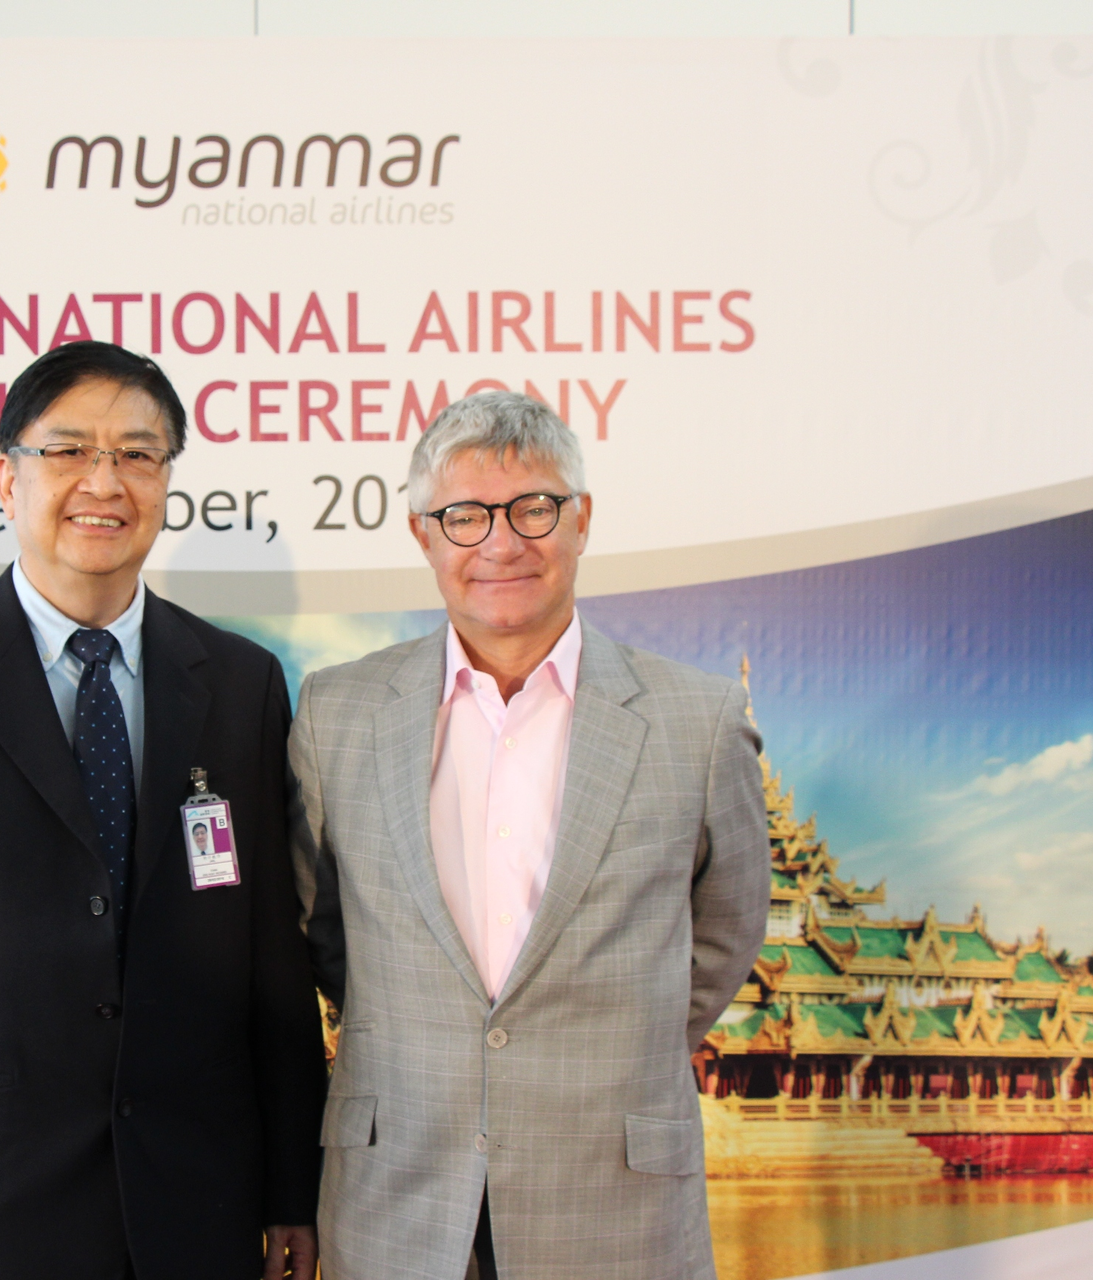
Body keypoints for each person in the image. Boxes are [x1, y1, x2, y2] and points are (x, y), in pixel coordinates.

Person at [0, 341, 326, 1280]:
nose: (105, 480)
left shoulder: (241, 683)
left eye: (138, 453)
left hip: (201, 1209)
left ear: (169, 482)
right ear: (7, 478)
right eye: (69, 450)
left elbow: (272, 962)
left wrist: (295, 1186)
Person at [289, 391, 769, 1280]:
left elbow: (726, 932)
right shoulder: (337, 712)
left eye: (533, 509)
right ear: (422, 534)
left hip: (612, 1194)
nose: (500, 545)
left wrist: (610, 1036)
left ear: (582, 520)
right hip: (399, 1191)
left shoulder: (697, 720)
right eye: (464, 516)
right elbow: (324, 933)